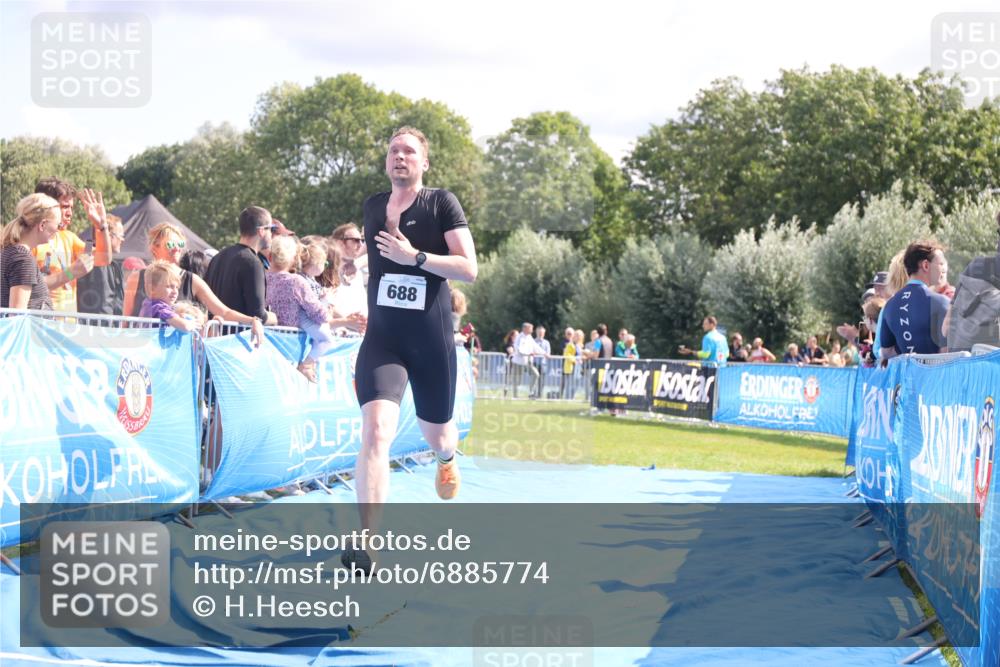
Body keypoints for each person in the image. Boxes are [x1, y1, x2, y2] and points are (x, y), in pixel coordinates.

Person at [345, 127, 478, 573]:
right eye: (393, 151)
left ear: (424, 163)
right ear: (386, 162)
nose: (400, 157)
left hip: (429, 339)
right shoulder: (371, 206)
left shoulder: (442, 203)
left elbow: (469, 269)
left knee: (437, 434)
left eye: (409, 152)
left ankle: (446, 458)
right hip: (384, 339)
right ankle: (367, 542)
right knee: (376, 431)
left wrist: (415, 258)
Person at [124, 221, 265, 343]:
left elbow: (223, 311)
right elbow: (126, 321)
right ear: (155, 247)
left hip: (178, 360)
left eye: (180, 243)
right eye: (171, 244)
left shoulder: (192, 280)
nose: (177, 248)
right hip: (143, 355)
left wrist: (253, 320)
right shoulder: (136, 278)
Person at [266, 236, 360, 381]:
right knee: (327, 340)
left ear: (271, 255)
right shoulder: (296, 281)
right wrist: (327, 301)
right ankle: (307, 365)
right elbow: (320, 315)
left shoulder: (265, 277)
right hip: (293, 336)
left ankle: (308, 364)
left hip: (273, 339)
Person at [31, 179, 103, 312]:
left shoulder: (69, 237)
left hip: (68, 328)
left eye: (71, 207)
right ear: (46, 207)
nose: (70, 213)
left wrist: (100, 226)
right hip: (40, 326)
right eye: (64, 207)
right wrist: (70, 273)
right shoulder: (29, 242)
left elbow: (103, 258)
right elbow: (28, 287)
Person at [204, 208, 279, 327]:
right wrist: (274, 317)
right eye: (271, 229)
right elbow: (258, 315)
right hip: (237, 340)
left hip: (215, 337)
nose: (272, 234)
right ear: (261, 231)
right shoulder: (252, 263)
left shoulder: (218, 257)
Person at [879, 241, 951, 359]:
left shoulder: (890, 305)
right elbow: (947, 355)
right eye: (941, 264)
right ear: (926, 265)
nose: (944, 269)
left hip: (907, 377)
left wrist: (907, 348)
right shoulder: (942, 303)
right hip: (934, 376)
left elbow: (886, 353)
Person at [1, 193, 60, 310]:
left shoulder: (11, 251)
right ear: (42, 225)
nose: (58, 230)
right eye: (58, 225)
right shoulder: (23, 259)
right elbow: (17, 316)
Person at [77, 213, 126, 315]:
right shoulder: (87, 257)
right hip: (96, 326)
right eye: (121, 236)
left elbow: (117, 301)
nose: (123, 239)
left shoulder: (114, 265)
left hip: (109, 325)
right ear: (109, 236)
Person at [138, 261, 199, 332]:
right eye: (169, 286)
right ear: (152, 289)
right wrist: (191, 324)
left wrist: (178, 317)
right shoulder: (159, 307)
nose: (175, 291)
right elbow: (185, 326)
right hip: (154, 343)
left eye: (177, 287)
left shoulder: (148, 303)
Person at [332, 222, 369, 288]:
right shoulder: (324, 270)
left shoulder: (360, 266)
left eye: (362, 240)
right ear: (340, 243)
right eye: (356, 240)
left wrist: (356, 265)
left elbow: (372, 258)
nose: (361, 245)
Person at [532, 325, 551, 398]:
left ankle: (539, 394)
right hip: (534, 363)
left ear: (544, 333)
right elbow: (532, 351)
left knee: (542, 380)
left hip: (543, 364)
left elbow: (548, 353)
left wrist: (541, 353)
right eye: (539, 332)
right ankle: (532, 393)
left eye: (542, 333)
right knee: (534, 379)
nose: (540, 334)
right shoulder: (533, 341)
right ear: (536, 332)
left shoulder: (546, 343)